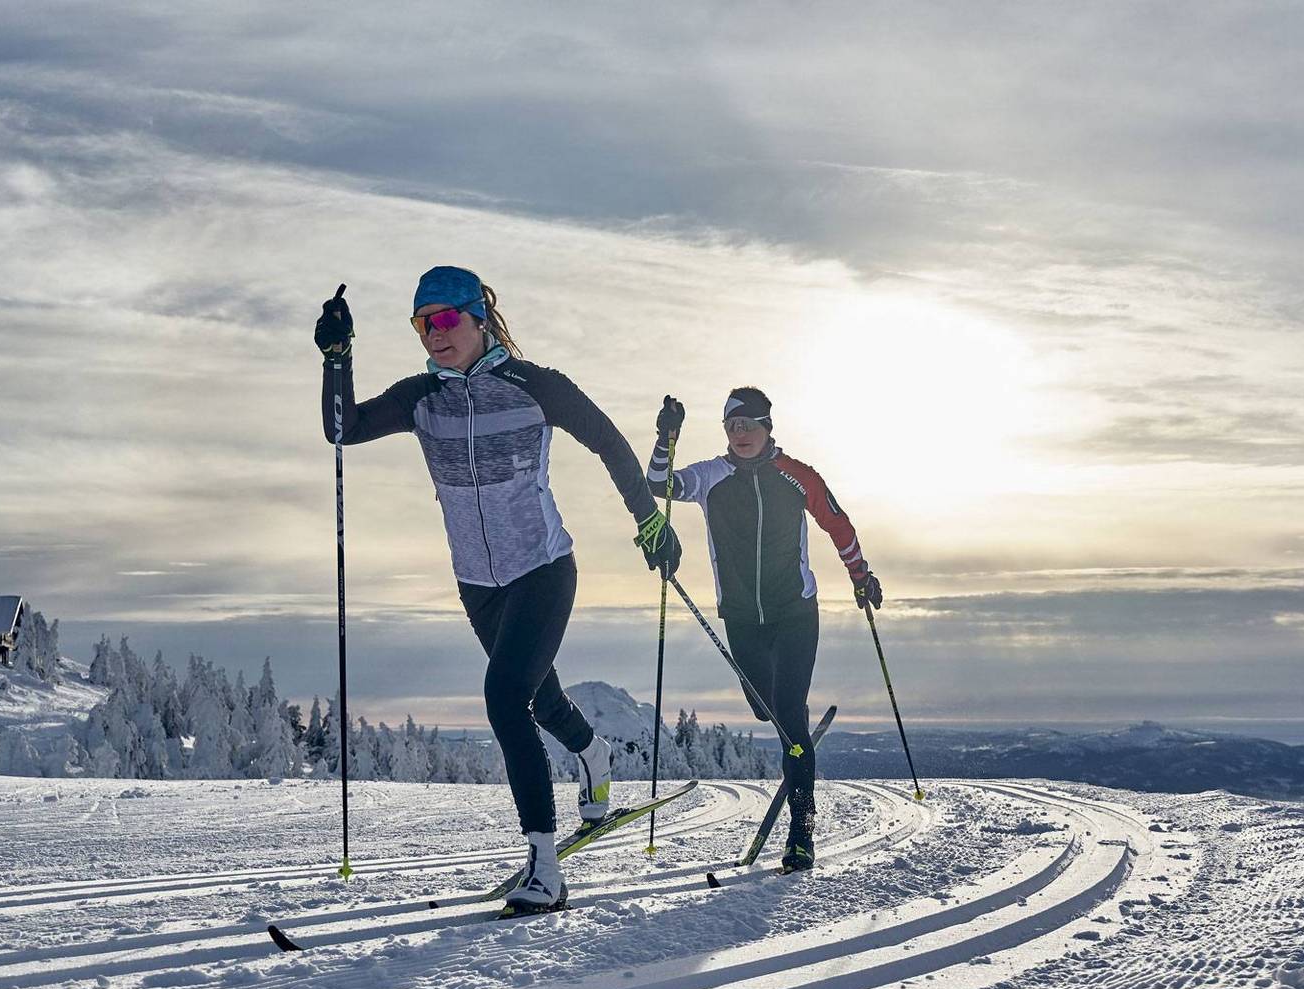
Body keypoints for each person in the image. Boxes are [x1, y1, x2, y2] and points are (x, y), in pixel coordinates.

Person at [315, 268, 681, 912]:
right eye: (421, 322)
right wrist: (338, 360)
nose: (434, 334)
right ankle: (594, 755)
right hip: (477, 583)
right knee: (540, 700)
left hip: (542, 569)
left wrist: (648, 520)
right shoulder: (421, 398)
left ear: (480, 316)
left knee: (504, 698)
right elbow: (342, 428)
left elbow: (610, 443)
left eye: (446, 318)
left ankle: (545, 867)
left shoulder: (535, 386)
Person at [647, 388, 882, 871]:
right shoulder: (711, 476)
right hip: (741, 618)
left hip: (795, 611)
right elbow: (659, 484)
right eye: (733, 426)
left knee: (789, 717)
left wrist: (861, 576)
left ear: (768, 426)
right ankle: (787, 724)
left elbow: (838, 524)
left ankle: (802, 830)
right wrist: (666, 437)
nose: (741, 434)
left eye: (750, 425)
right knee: (765, 709)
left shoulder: (798, 476)